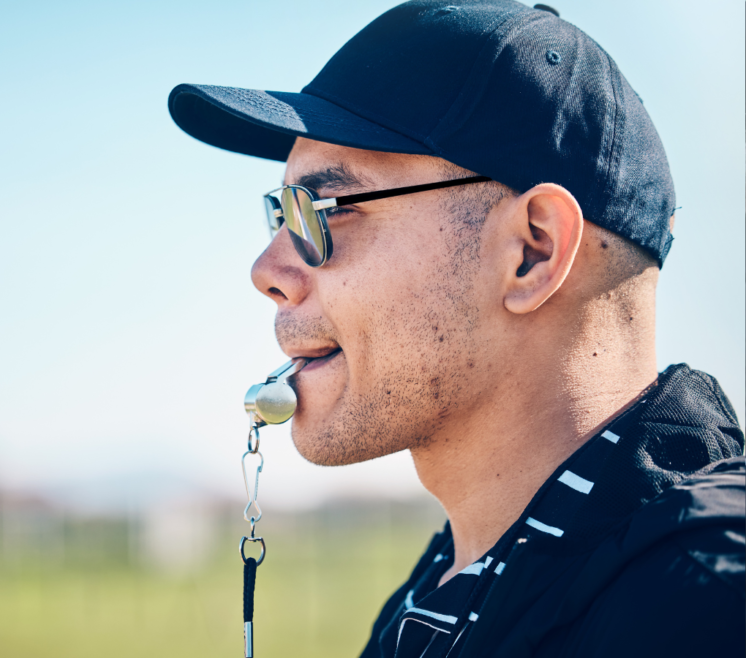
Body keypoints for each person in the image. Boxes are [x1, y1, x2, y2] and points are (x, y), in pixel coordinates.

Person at [168, 1, 744, 656]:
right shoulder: (449, 588)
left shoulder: (709, 609)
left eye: (322, 210)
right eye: (281, 213)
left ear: (532, 251)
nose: (267, 270)